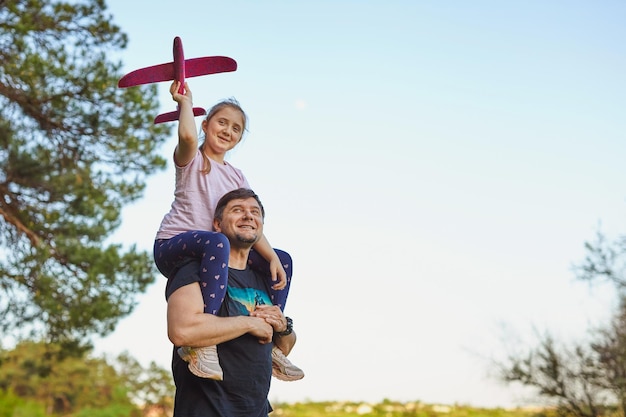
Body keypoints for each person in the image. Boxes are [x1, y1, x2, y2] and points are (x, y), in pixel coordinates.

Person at [153, 80, 303, 381]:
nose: (228, 131)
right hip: (174, 244)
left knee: (282, 258)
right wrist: (185, 103)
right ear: (206, 125)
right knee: (219, 241)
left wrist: (271, 256)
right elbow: (185, 135)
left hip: (212, 246)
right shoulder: (193, 160)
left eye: (236, 128)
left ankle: (272, 331)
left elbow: (247, 221)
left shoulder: (236, 176)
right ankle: (202, 343)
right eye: (222, 123)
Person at [166, 188, 300, 416]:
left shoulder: (264, 278)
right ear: (217, 225)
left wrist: (283, 326)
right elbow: (182, 331)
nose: (248, 216)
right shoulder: (194, 270)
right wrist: (249, 323)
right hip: (207, 410)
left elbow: (284, 347)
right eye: (238, 210)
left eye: (255, 212)